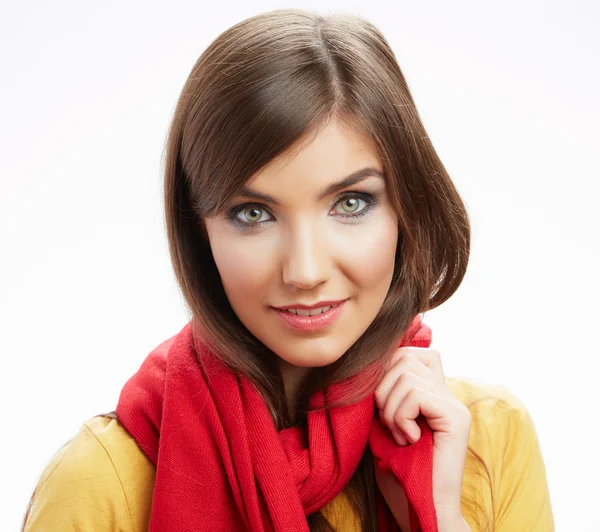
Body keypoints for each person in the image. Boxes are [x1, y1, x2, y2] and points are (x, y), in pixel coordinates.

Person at [21, 8, 554, 532]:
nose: (304, 271)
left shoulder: (486, 440)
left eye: (350, 203)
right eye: (253, 214)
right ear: (199, 230)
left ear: (405, 209)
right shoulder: (102, 482)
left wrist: (440, 517)